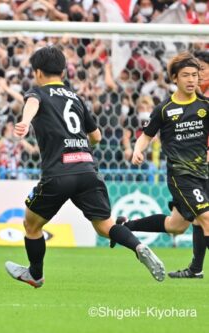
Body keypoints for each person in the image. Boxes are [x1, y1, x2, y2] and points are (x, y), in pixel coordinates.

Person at [4, 47, 165, 288]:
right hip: (88, 169)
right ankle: (137, 246)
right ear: (63, 71)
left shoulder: (37, 92)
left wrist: (25, 122)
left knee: (32, 225)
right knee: (105, 227)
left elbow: (32, 102)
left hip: (59, 173)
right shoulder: (74, 97)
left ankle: (35, 274)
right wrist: (77, 145)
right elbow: (97, 136)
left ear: (37, 72)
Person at [113, 52, 209, 279]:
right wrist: (138, 149)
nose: (191, 80)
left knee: (177, 225)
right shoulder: (164, 109)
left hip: (203, 172)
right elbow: (146, 135)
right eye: (186, 75)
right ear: (174, 78)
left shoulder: (205, 105)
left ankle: (127, 226)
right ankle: (197, 269)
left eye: (195, 75)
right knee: (206, 218)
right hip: (181, 174)